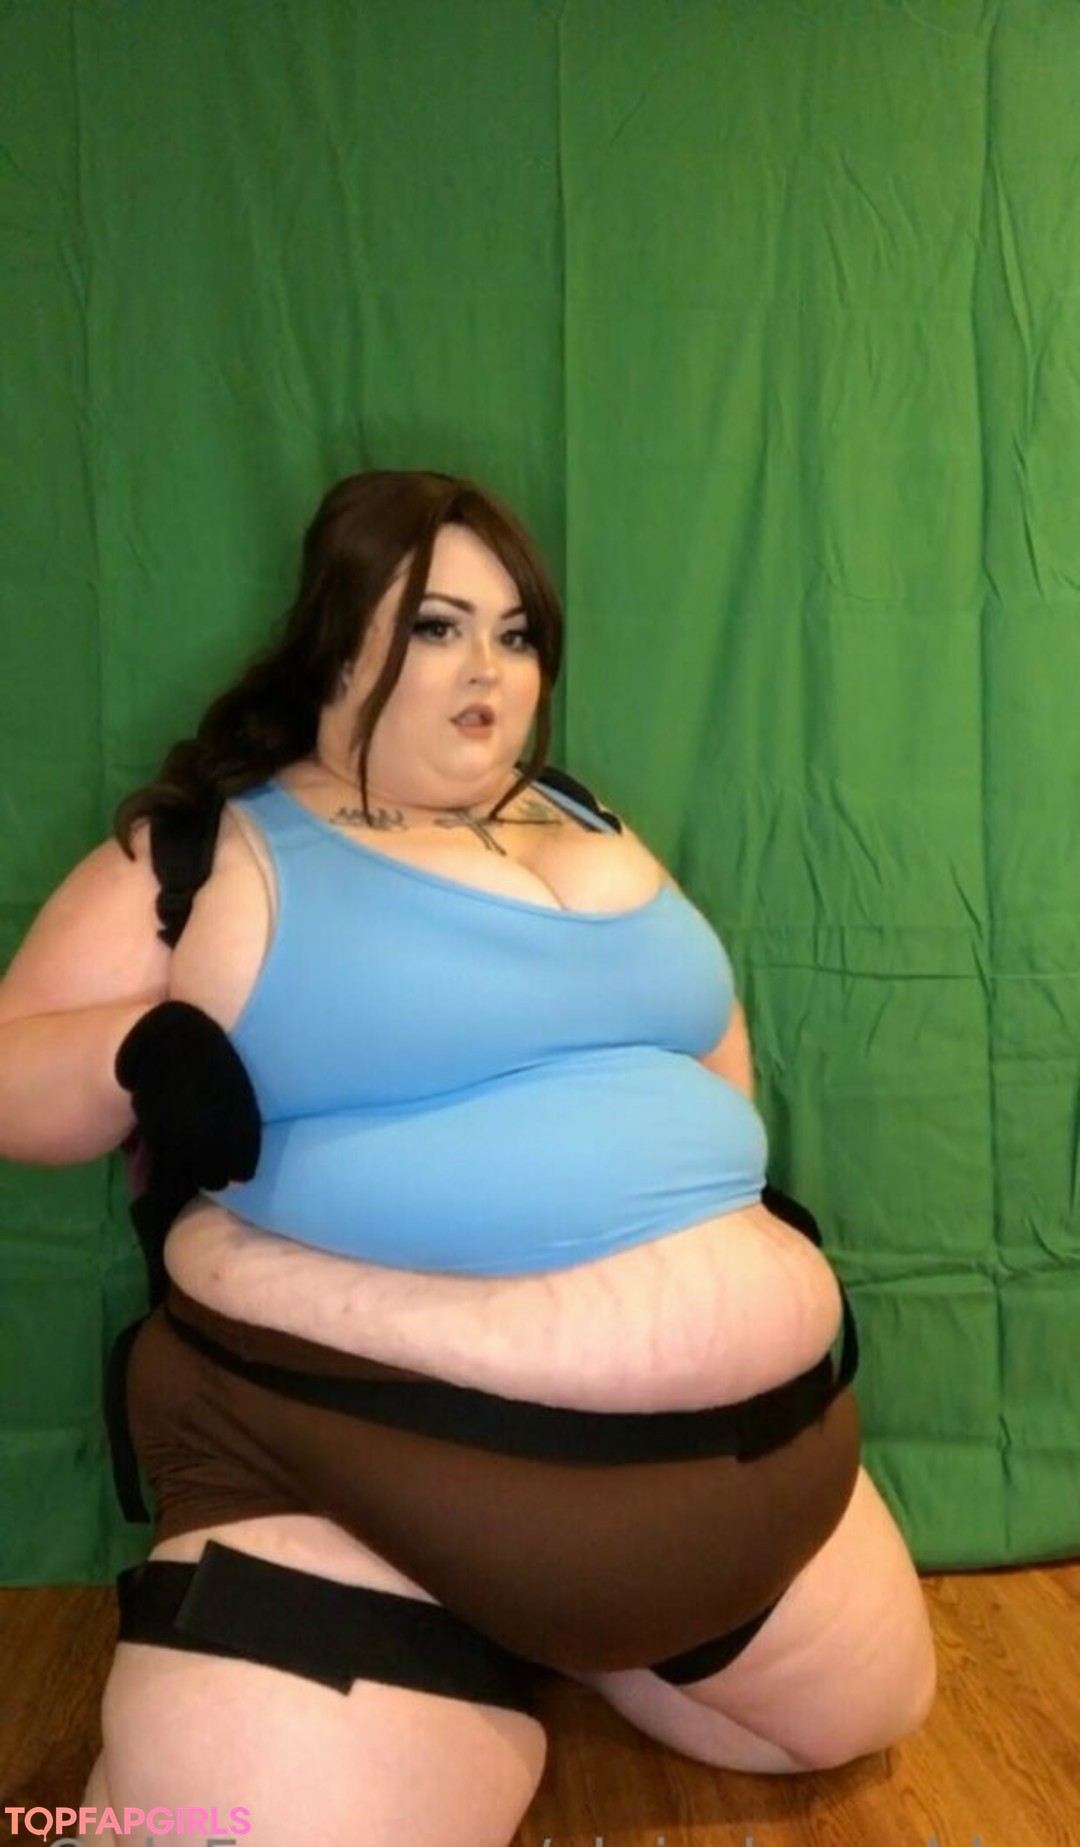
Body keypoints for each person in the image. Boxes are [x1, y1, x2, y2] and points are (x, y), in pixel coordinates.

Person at [0, 470, 935, 1847]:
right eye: (438, 628)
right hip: (354, 1474)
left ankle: (552, 1631)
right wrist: (137, 1053)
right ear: (337, 645)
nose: (488, 669)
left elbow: (702, 1024)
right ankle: (442, 1635)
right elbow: (12, 1063)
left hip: (740, 1471)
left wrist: (712, 1201)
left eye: (515, 632)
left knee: (865, 1708)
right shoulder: (209, 849)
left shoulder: (582, 812)